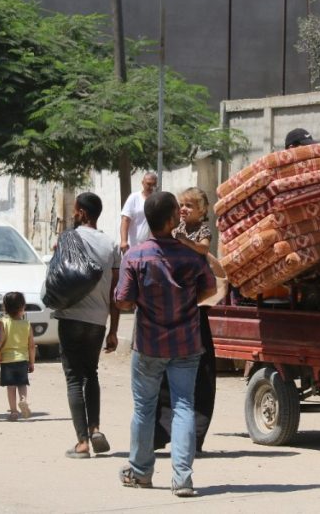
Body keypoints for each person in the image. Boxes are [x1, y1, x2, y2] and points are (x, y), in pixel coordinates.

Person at [115, 191, 216, 498]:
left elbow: (122, 301)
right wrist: (186, 304)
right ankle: (182, 479)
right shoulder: (191, 256)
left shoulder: (135, 255)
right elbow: (209, 289)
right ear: (172, 219)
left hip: (148, 345)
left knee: (144, 408)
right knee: (184, 405)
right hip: (186, 343)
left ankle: (141, 472)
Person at [54, 192, 122, 459]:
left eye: (75, 210)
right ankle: (94, 428)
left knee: (73, 378)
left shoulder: (67, 238)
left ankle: (82, 442)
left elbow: (57, 276)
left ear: (81, 212)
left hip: (70, 316)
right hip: (97, 320)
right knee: (91, 374)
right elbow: (116, 292)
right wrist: (114, 330)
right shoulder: (111, 244)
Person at [155, 187, 217, 452]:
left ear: (202, 211)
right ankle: (162, 433)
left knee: (200, 376)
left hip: (195, 308)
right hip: (172, 308)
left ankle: (194, 437)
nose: (184, 210)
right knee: (164, 376)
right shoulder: (173, 230)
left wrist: (185, 243)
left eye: (190, 206)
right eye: (181, 205)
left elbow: (203, 250)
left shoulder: (200, 232)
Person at [0, 291, 36, 422]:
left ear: (5, 307)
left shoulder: (3, 322)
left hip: (7, 359)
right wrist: (32, 362)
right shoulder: (27, 324)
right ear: (22, 307)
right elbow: (31, 345)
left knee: (11, 386)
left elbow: (1, 340)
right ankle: (23, 400)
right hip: (22, 359)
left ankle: (14, 412)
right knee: (22, 384)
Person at [120, 173, 158, 254]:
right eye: (148, 184)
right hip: (134, 247)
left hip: (151, 248)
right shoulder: (134, 198)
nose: (151, 187)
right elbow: (125, 219)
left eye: (154, 184)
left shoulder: (158, 200)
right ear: (142, 183)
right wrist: (123, 241)